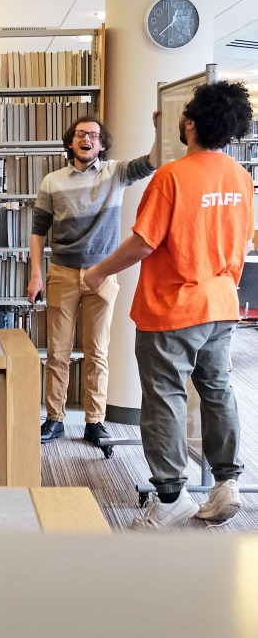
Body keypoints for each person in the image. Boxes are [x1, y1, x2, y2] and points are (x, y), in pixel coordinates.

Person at [83, 80, 254, 531]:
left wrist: (99, 271)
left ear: (191, 122)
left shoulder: (173, 176)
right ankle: (225, 484)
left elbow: (143, 243)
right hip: (220, 303)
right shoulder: (240, 176)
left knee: (164, 400)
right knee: (217, 391)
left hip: (173, 307)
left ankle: (170, 496)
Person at [28, 115, 158, 446]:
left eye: (95, 135)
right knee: (57, 351)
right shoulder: (52, 182)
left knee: (97, 351)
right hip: (62, 273)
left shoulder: (115, 172)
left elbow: (153, 162)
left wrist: (159, 127)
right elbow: (38, 232)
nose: (88, 139)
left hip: (104, 274)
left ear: (102, 144)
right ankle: (55, 418)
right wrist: (35, 275)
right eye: (81, 134)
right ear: (71, 142)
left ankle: (94, 421)